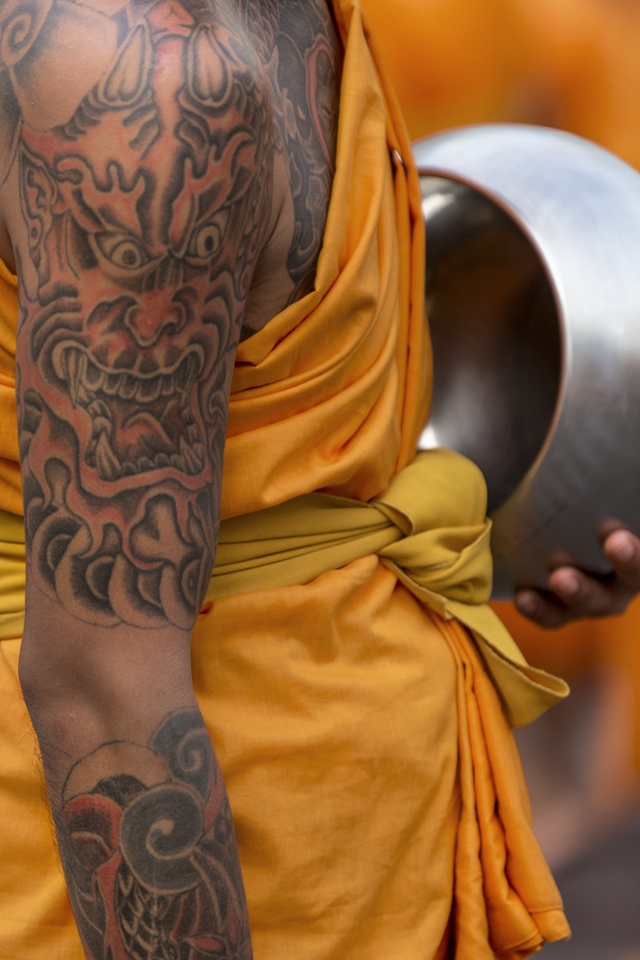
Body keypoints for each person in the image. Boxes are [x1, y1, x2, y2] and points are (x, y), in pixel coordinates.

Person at [0, 2, 639, 959]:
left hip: (366, 859)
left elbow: (282, 438)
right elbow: (100, 686)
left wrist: (511, 513)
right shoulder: (147, 84)